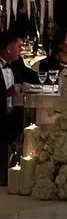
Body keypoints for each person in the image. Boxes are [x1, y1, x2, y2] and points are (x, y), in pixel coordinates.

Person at [0, 29, 39, 186]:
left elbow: (34, 78)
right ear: (9, 48)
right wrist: (7, 93)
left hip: (11, 117)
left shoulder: (16, 65)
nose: (21, 50)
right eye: (18, 46)